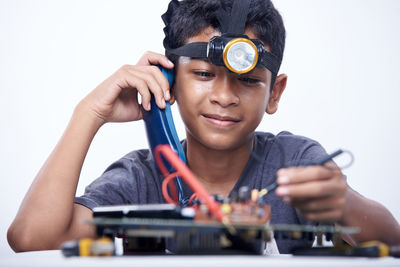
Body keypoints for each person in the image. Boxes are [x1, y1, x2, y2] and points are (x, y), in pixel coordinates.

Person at [8, 0, 400, 254]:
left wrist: (344, 205)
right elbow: (30, 239)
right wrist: (88, 113)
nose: (224, 96)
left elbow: (392, 241)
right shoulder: (141, 178)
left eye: (247, 80)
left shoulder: (295, 162)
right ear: (169, 80)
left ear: (274, 93)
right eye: (203, 74)